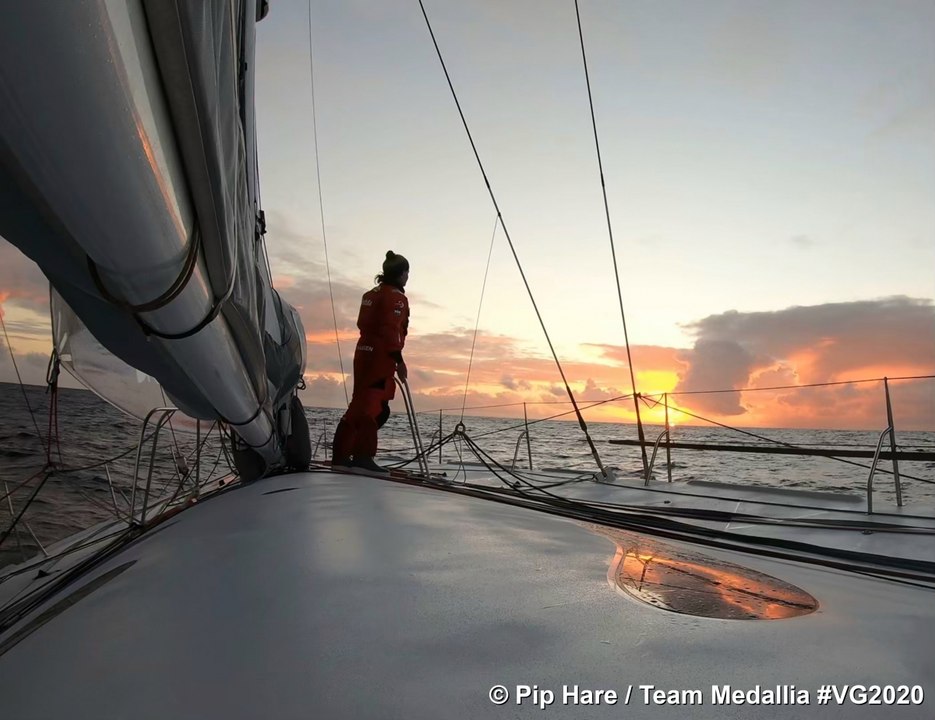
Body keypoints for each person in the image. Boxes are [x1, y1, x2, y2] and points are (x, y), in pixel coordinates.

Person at [332, 251, 410, 473]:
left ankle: (341, 456)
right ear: (401, 274)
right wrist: (399, 360)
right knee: (373, 406)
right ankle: (362, 457)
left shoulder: (371, 294)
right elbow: (391, 330)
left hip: (363, 352)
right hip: (380, 357)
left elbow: (363, 323)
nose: (407, 277)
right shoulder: (396, 298)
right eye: (406, 273)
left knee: (359, 403)